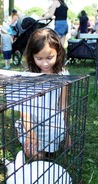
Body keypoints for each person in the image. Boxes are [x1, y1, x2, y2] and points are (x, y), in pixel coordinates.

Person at [15, 28, 71, 159]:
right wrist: (30, 132)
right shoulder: (27, 76)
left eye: (49, 57)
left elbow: (63, 105)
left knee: (48, 154)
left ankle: (50, 145)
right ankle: (27, 140)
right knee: (36, 156)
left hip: (52, 123)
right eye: (39, 58)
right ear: (32, 56)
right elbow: (24, 110)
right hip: (31, 121)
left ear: (58, 53)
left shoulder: (63, 74)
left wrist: (67, 131)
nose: (45, 63)